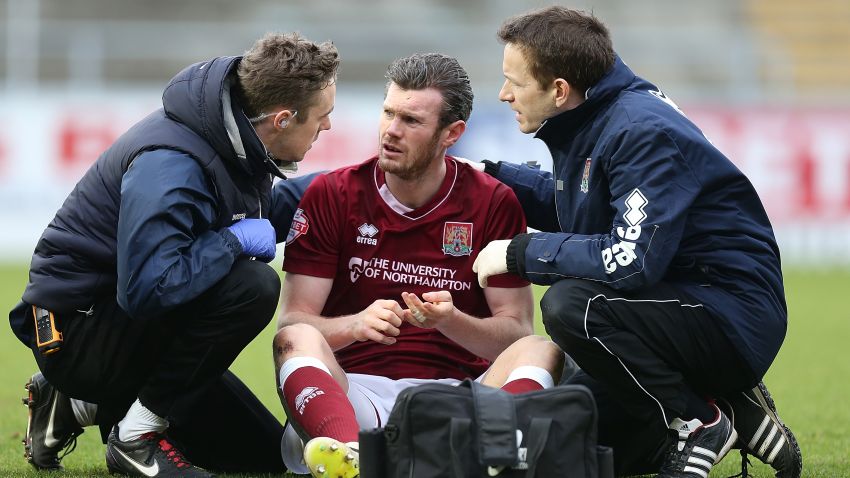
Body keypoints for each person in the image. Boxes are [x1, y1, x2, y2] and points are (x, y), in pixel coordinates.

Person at [469, 7, 802, 478]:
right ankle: (732, 405)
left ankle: (701, 420)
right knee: (580, 435)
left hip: (729, 314)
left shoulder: (639, 130)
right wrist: (490, 181)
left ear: (559, 90)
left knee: (571, 305)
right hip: (674, 304)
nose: (503, 94)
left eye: (514, 82)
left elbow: (629, 261)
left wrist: (520, 254)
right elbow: (583, 206)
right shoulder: (594, 115)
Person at [9, 32, 338, 477]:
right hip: (75, 335)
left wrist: (340, 188)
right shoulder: (170, 163)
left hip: (121, 327)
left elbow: (243, 218)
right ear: (282, 119)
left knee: (260, 456)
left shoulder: (232, 134)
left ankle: (72, 406)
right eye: (323, 117)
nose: (328, 127)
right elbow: (148, 288)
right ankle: (135, 437)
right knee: (253, 286)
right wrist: (232, 242)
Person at [272, 52, 564, 478]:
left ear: (452, 133)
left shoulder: (493, 201)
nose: (390, 131)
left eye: (411, 121)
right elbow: (293, 323)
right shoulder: (332, 194)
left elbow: (516, 333)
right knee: (297, 337)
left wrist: (451, 321)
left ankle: (481, 449)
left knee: (542, 350)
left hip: (461, 401)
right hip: (355, 396)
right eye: (388, 113)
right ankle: (349, 454)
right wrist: (355, 326)